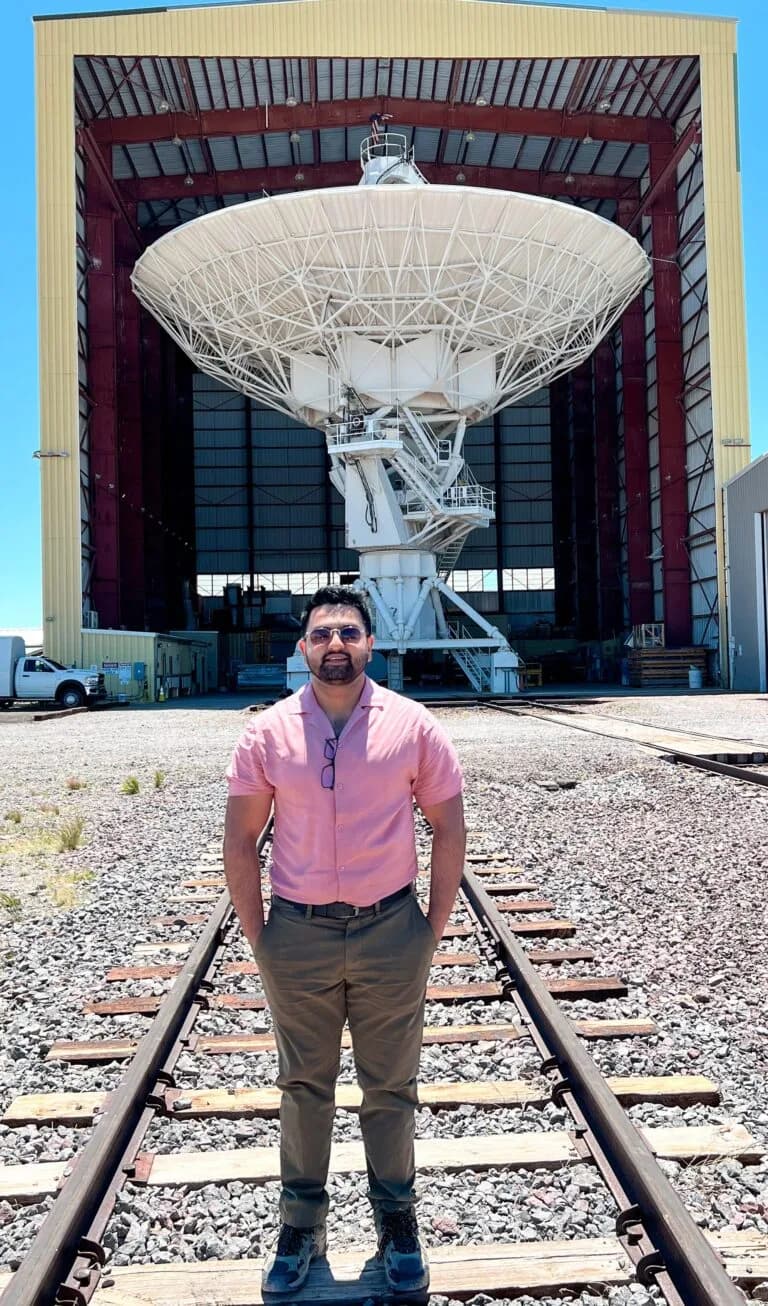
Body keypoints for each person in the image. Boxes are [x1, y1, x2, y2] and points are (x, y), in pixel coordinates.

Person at [224, 585, 465, 1297]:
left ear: (370, 644)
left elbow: (449, 829)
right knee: (304, 1086)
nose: (336, 643)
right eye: (322, 633)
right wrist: (260, 936)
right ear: (302, 648)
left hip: (392, 928)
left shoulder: (413, 727)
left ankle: (398, 1220)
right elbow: (240, 841)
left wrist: (431, 928)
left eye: (349, 632)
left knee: (391, 1086)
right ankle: (301, 1225)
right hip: (297, 932)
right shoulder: (267, 733)